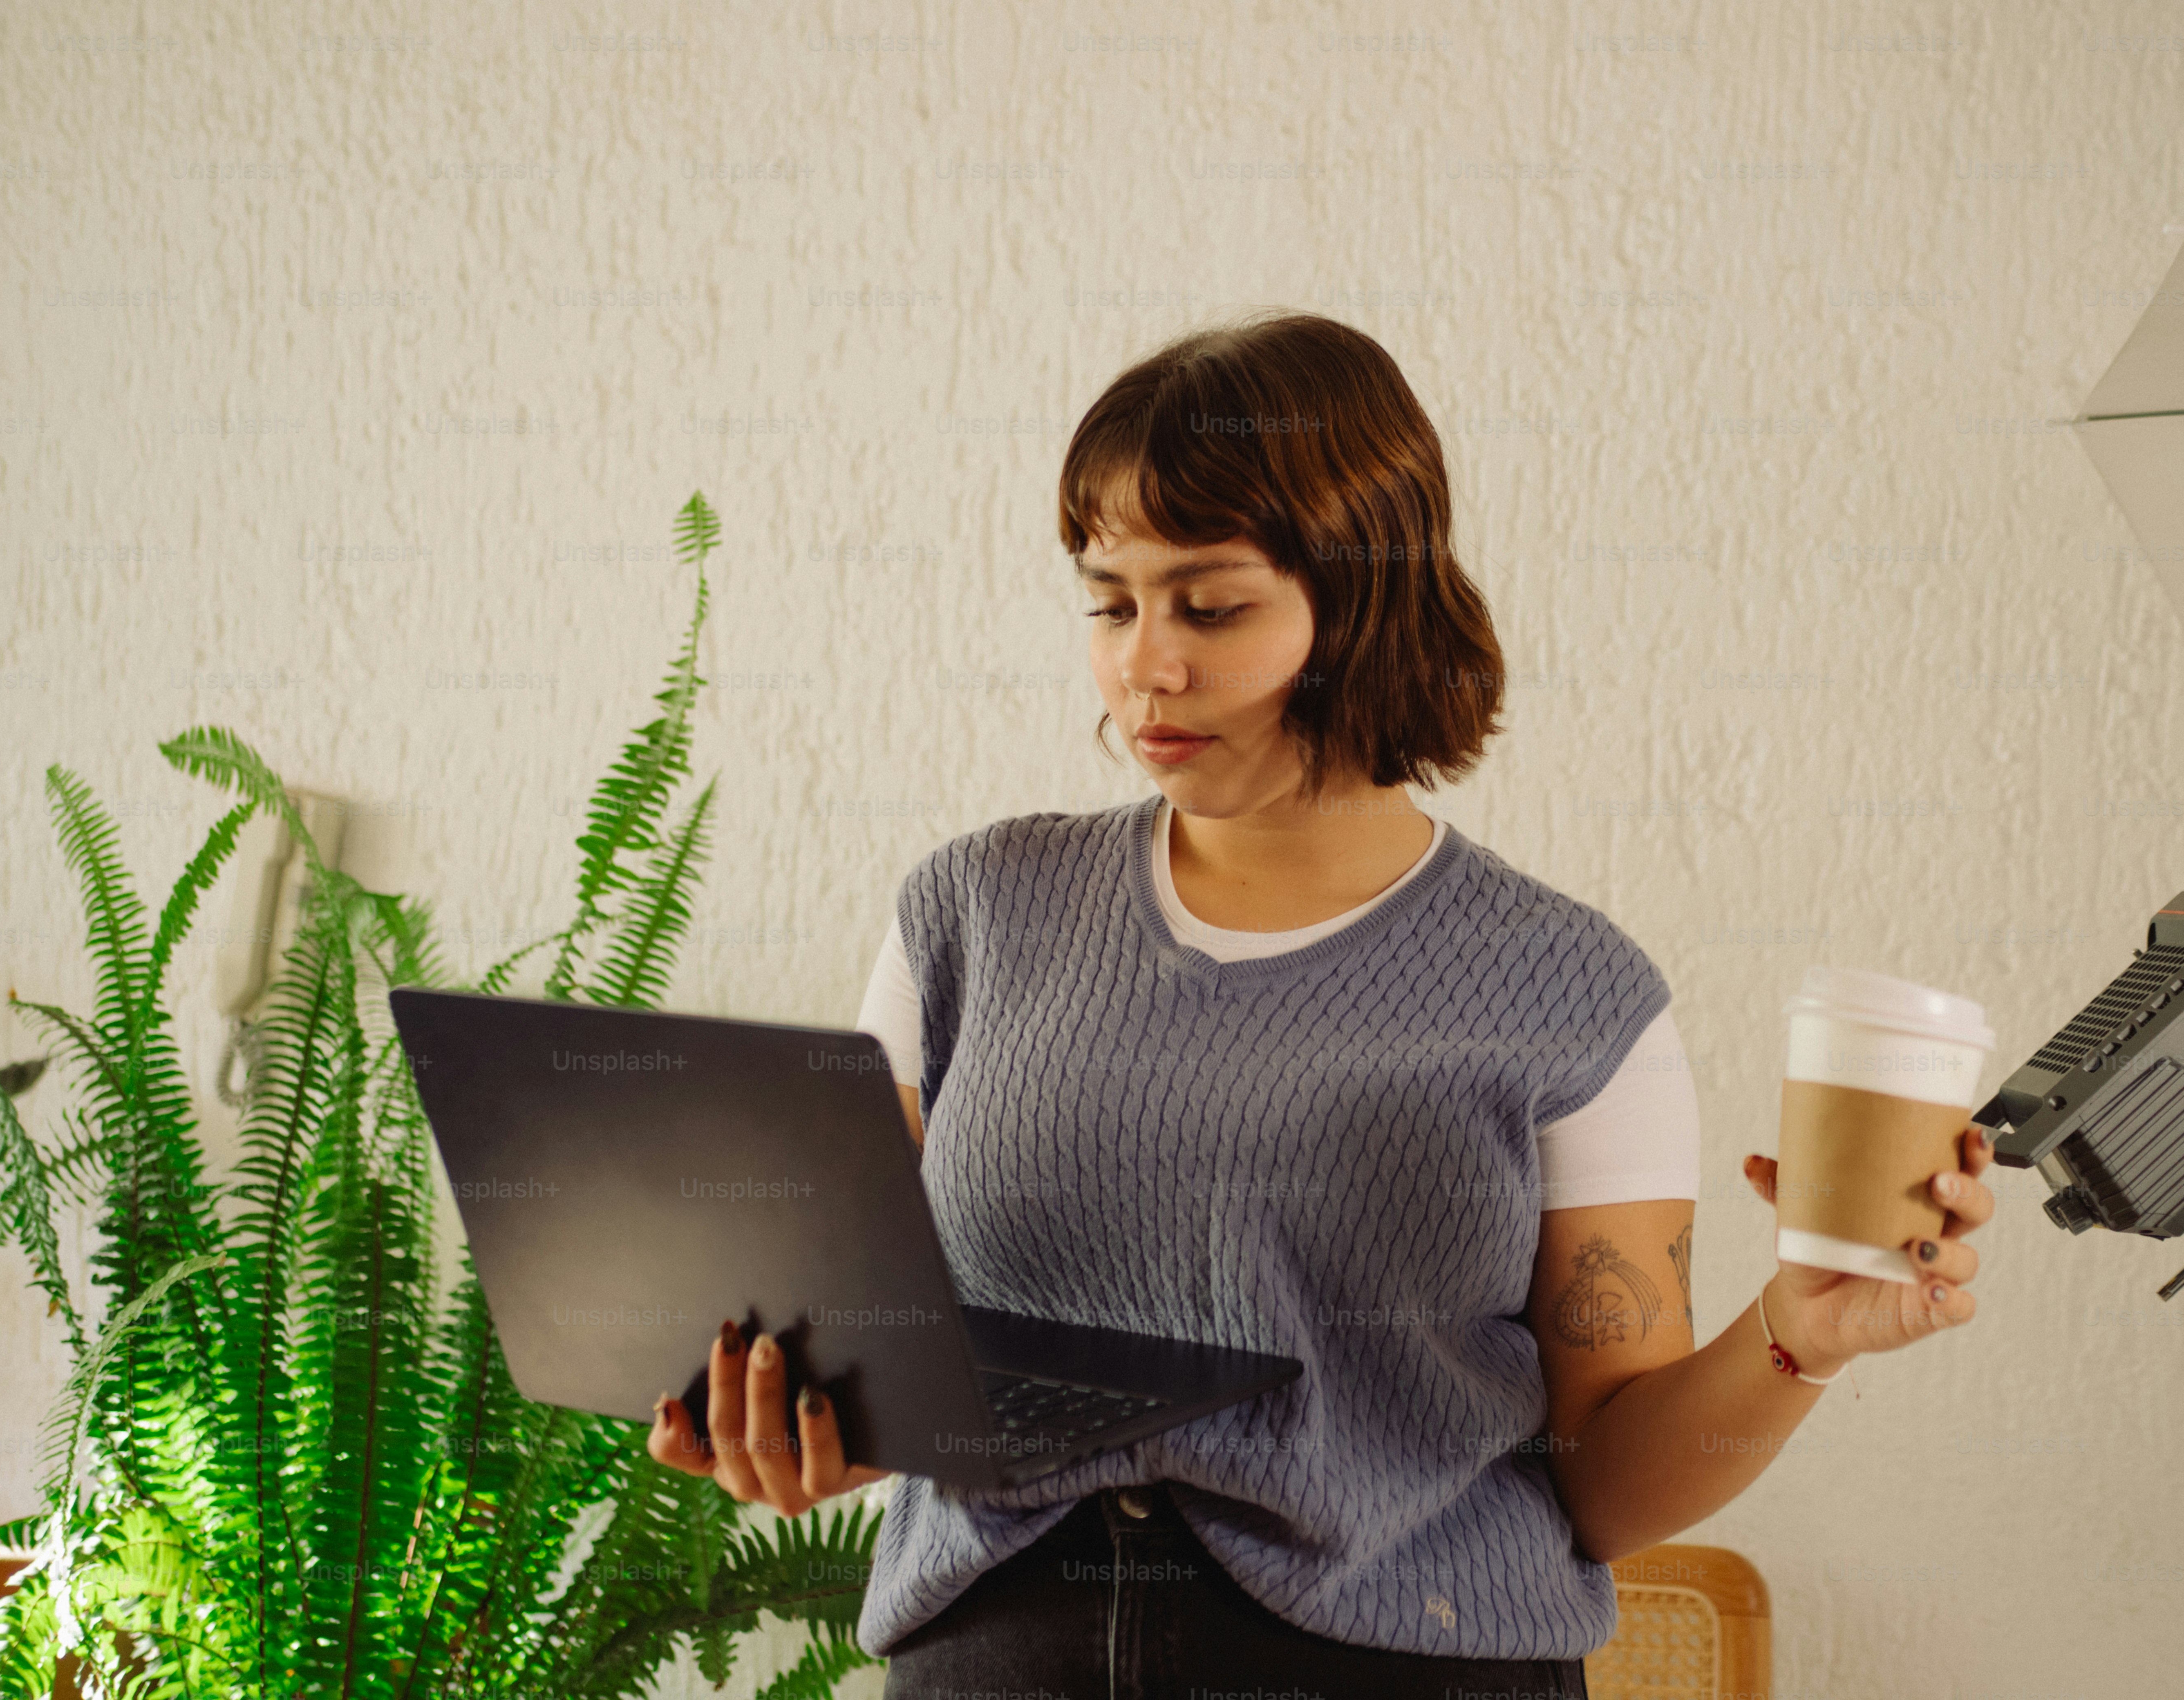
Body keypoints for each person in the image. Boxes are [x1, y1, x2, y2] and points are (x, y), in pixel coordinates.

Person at [649, 311, 1994, 1693]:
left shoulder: (1571, 992)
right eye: (1112, 602)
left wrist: (1801, 1330)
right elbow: (855, 1334)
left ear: (1362, 602)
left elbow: (1610, 1491)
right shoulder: (971, 916)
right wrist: (797, 1423)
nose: (1146, 667)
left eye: (1212, 606)